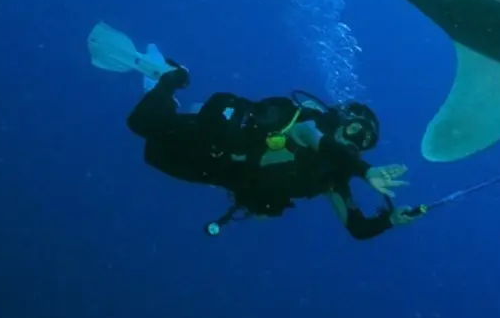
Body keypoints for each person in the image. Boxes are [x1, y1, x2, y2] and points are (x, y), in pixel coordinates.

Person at [89, 22, 424, 239]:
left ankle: (166, 93)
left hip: (214, 170)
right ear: (342, 120)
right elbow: (313, 139)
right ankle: (169, 79)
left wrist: (390, 220)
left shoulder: (333, 179)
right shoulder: (312, 122)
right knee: (141, 125)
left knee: (154, 152)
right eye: (354, 130)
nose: (354, 141)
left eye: (363, 143)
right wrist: (367, 172)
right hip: (216, 139)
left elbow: (357, 228)